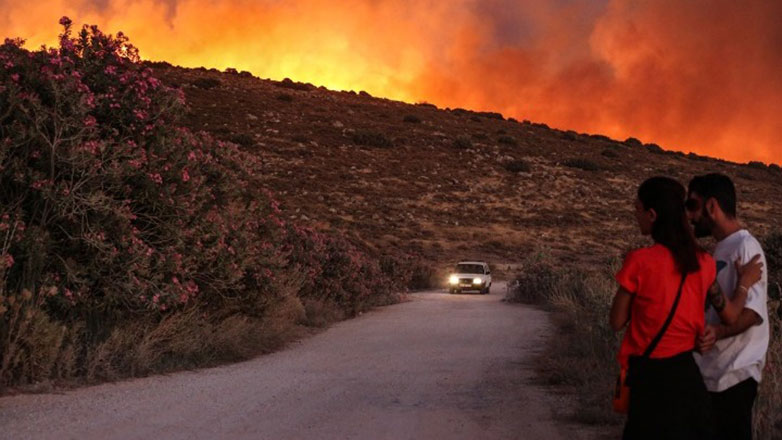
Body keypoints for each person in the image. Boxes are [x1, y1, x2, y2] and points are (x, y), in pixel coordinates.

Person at [609, 176, 762, 440]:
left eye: (637, 209)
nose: (636, 215)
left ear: (652, 214)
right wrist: (744, 284)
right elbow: (731, 314)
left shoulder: (639, 261)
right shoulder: (703, 262)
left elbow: (616, 320)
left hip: (649, 378)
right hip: (688, 379)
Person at [688, 173, 770, 440]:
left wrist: (718, 333)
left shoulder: (746, 247)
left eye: (693, 205)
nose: (690, 215)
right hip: (714, 372)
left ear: (712, 206)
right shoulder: (722, 249)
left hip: (736, 373)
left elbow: (750, 314)